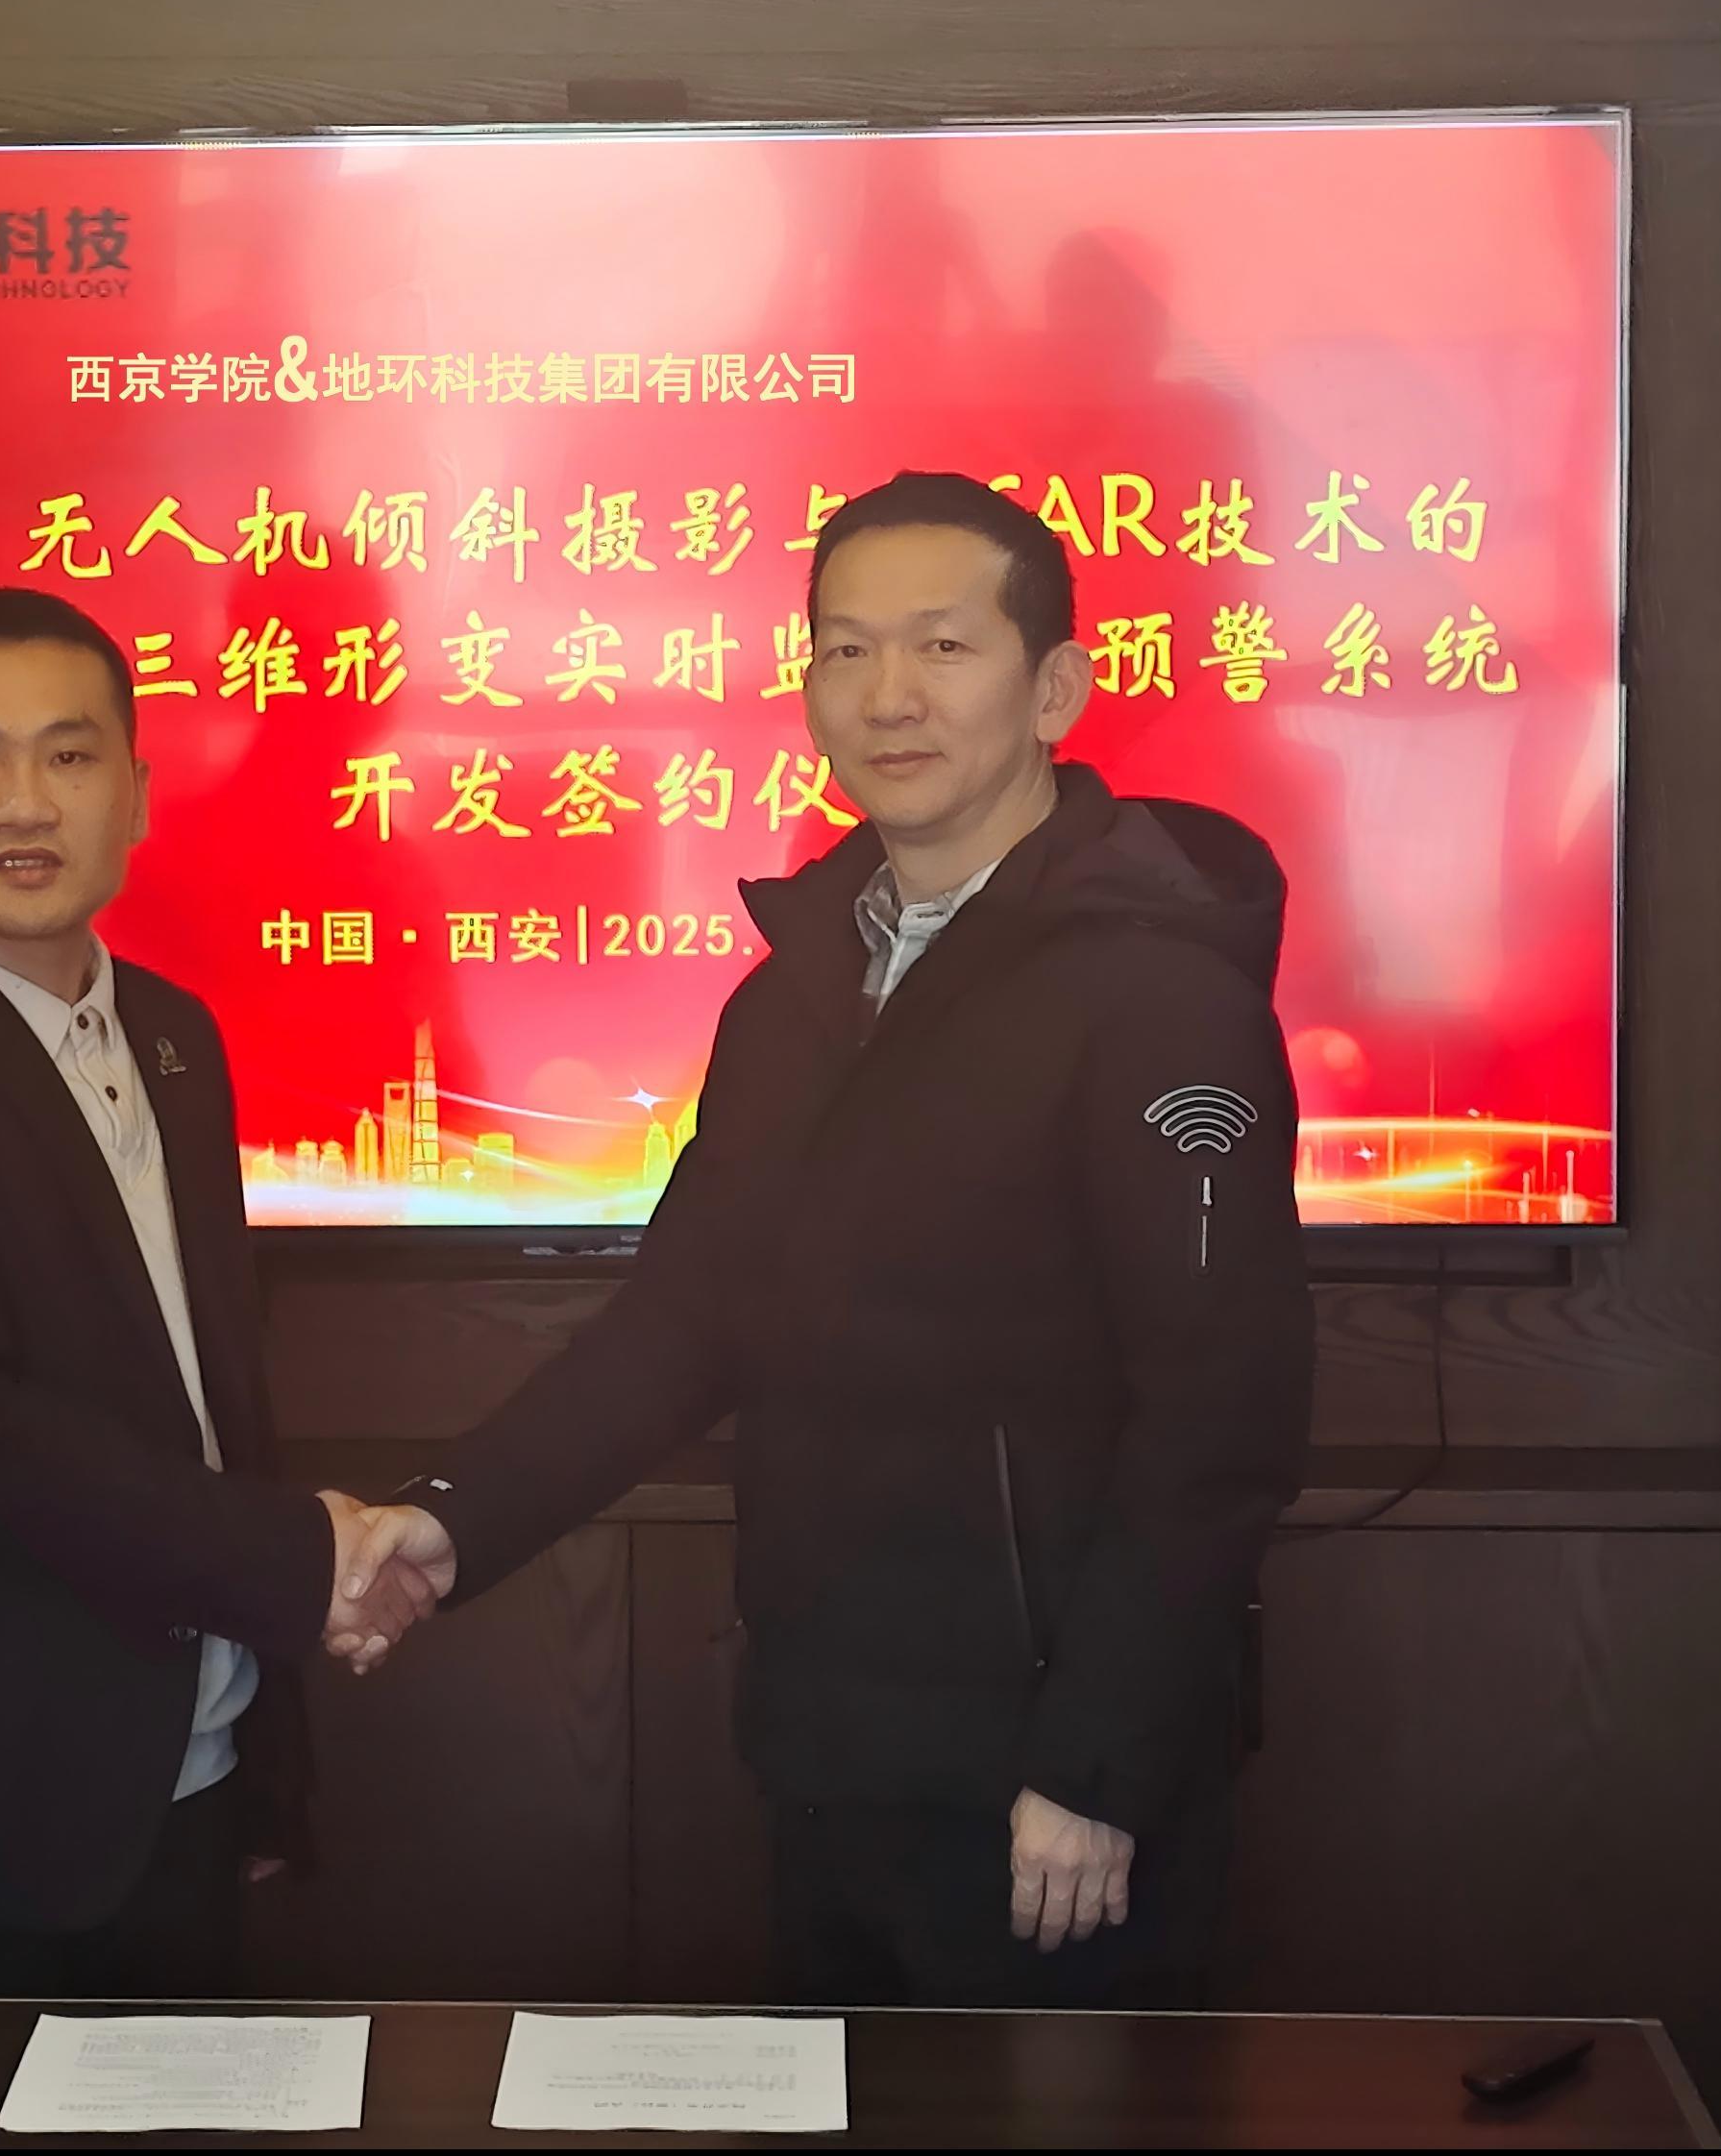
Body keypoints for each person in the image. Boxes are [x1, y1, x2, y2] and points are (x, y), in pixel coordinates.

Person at [336, 470, 1312, 2008]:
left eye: (941, 646)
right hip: (827, 1743)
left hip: (1053, 1787)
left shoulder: (1156, 995)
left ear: (1054, 688)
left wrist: (1097, 1762)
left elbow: (1220, 1415)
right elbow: (683, 1322)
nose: (886, 695)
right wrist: (452, 1521)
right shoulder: (795, 994)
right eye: (845, 650)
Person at [0, 586, 437, 1999]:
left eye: (69, 755)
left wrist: (263, 1760)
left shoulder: (174, 1038)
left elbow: (214, 1402)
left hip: (192, 1781)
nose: (23, 803)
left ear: (137, 796)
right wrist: (302, 1562)